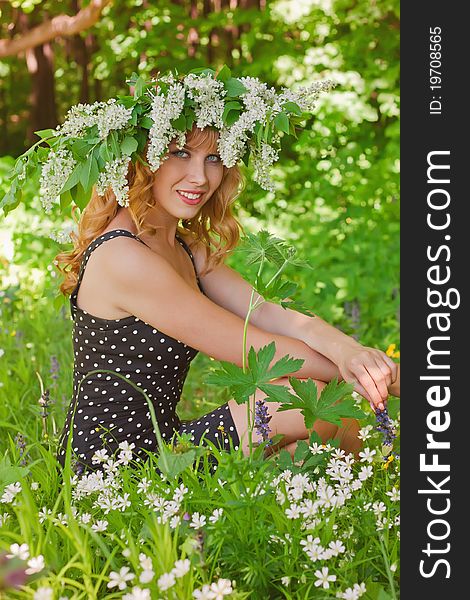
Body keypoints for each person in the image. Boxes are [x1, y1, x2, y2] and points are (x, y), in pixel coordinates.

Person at [8, 68, 399, 472]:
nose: (200, 177)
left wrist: (351, 352)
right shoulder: (124, 257)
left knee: (318, 413)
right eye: (180, 152)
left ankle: (329, 504)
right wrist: (391, 379)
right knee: (311, 403)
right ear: (143, 158)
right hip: (113, 470)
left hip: (165, 443)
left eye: (213, 158)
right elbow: (258, 349)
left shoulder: (181, 245)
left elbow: (264, 312)